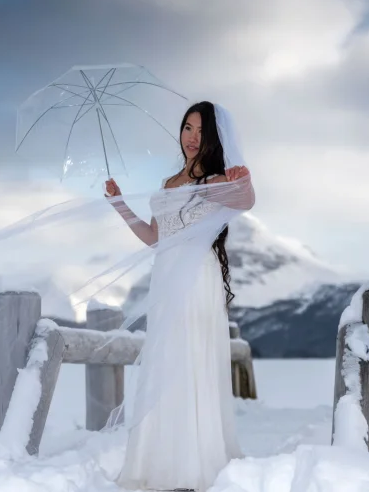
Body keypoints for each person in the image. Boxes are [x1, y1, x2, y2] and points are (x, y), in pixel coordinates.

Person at [103, 101, 255, 491]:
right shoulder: (169, 183)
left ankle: (195, 463)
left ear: (213, 138)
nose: (192, 137)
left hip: (195, 280)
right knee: (164, 364)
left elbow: (246, 201)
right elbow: (155, 237)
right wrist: (120, 205)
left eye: (201, 131)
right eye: (188, 128)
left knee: (190, 362)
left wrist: (243, 181)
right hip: (166, 280)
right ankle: (159, 459)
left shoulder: (215, 181)